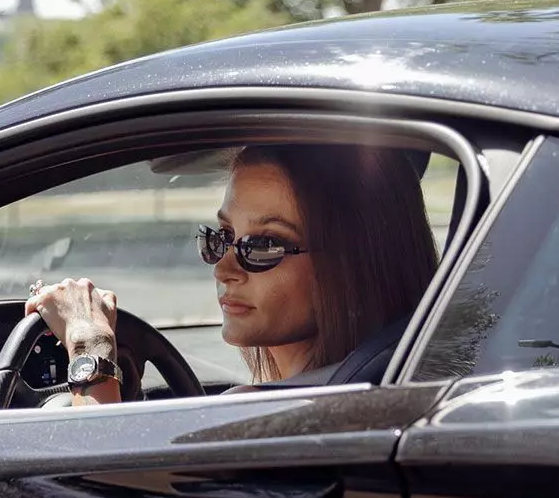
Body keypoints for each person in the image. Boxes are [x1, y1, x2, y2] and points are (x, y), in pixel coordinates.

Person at [27, 143, 441, 404]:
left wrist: (90, 347)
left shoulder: (264, 415)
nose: (224, 268)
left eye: (263, 245)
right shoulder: (397, 377)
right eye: (223, 235)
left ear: (354, 263)